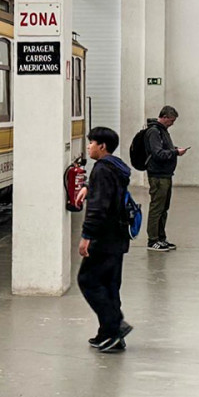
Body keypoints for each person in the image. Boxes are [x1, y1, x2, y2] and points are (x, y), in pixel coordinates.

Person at [76, 126, 133, 352]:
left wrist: (86, 236)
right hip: (118, 237)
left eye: (91, 143)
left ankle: (115, 325)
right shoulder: (116, 167)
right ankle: (108, 336)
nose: (88, 147)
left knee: (87, 280)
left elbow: (98, 209)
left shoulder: (101, 169)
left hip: (104, 237)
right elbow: (109, 190)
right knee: (109, 285)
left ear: (102, 146)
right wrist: (90, 187)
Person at [144, 105, 188, 252]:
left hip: (165, 175)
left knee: (164, 208)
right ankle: (152, 240)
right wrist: (175, 152)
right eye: (171, 120)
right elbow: (158, 154)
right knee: (157, 208)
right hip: (158, 176)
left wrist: (173, 150)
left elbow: (163, 150)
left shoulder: (162, 131)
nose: (172, 123)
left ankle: (161, 238)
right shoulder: (154, 132)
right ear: (163, 117)